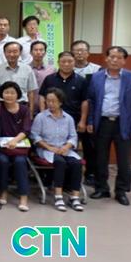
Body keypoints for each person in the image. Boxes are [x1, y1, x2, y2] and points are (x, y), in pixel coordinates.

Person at [87, 46, 131, 206]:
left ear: (124, 60)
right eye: (112, 56)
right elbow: (91, 101)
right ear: (106, 58)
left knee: (123, 160)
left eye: (119, 57)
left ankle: (121, 191)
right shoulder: (96, 77)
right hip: (102, 122)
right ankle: (102, 188)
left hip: (124, 124)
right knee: (100, 158)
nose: (115, 60)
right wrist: (90, 121)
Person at [43, 51, 91, 185]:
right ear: (58, 62)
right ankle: (50, 180)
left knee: (68, 150)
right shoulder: (50, 79)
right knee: (51, 149)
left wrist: (83, 120)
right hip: (50, 119)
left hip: (72, 120)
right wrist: (43, 115)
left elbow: (85, 101)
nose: (66, 64)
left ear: (74, 63)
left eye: (70, 61)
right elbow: (42, 97)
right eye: (63, 61)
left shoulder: (81, 80)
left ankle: (68, 184)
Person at [31, 88, 84, 212]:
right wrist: (49, 147)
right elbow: (35, 136)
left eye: (53, 101)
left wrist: (66, 146)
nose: (50, 104)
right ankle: (58, 196)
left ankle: (75, 197)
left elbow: (73, 136)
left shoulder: (68, 118)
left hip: (64, 149)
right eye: (48, 101)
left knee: (77, 163)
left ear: (60, 102)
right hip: (46, 149)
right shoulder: (41, 117)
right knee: (60, 162)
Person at [0, 81, 31, 211]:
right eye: (6, 92)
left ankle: (23, 197)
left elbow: (26, 129)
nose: (9, 95)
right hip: (2, 147)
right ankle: (3, 192)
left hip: (19, 146)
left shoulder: (24, 109)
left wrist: (15, 141)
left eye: (12, 93)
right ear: (1, 94)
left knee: (20, 162)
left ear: (18, 95)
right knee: (2, 161)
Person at [0, 41, 37, 116]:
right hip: (2, 107)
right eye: (9, 52)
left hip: (22, 106)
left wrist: (30, 112)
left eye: (15, 52)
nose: (12, 54)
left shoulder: (27, 69)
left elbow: (31, 92)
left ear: (20, 53)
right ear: (4, 53)